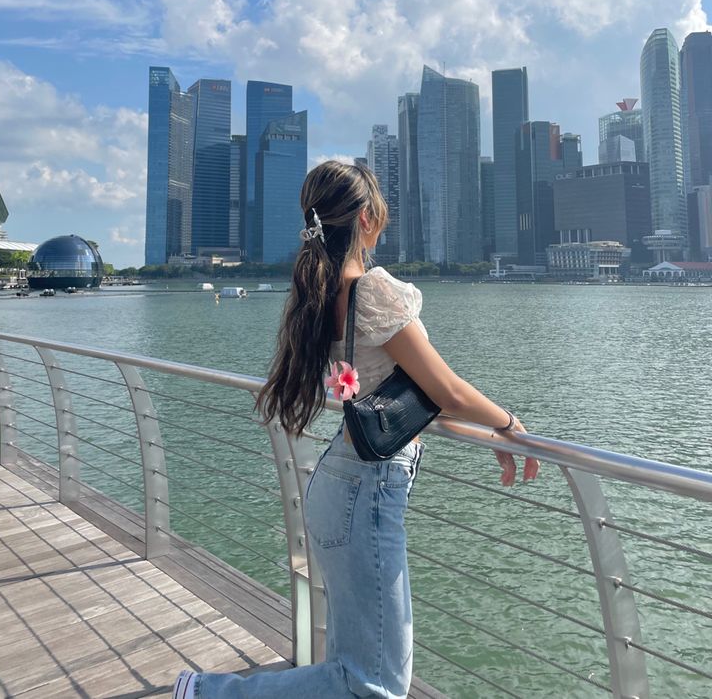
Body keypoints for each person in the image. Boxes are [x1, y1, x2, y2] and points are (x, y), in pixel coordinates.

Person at [174, 161, 539, 699]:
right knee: (374, 684)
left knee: (355, 668)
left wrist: (489, 438)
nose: (382, 230)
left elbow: (410, 396)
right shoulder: (372, 290)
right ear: (366, 219)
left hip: (342, 483)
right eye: (381, 220)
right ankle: (208, 692)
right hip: (366, 491)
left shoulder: (320, 294)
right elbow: (447, 390)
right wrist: (512, 425)